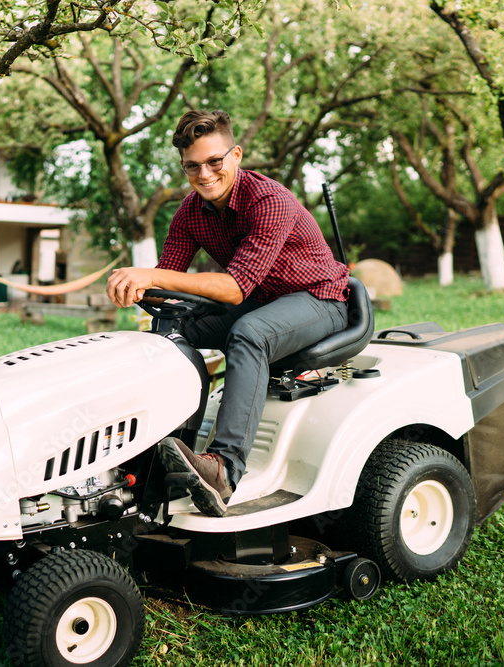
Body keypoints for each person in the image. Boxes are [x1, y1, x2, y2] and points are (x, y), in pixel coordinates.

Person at [106, 110, 349, 517]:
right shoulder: (190, 212)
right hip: (262, 301)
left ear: (235, 154)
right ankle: (162, 448)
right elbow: (169, 280)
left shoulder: (269, 200)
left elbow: (235, 289)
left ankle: (223, 469)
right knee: (170, 331)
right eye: (192, 166)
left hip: (319, 299)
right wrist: (139, 287)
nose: (204, 174)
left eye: (214, 161)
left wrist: (149, 272)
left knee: (250, 333)